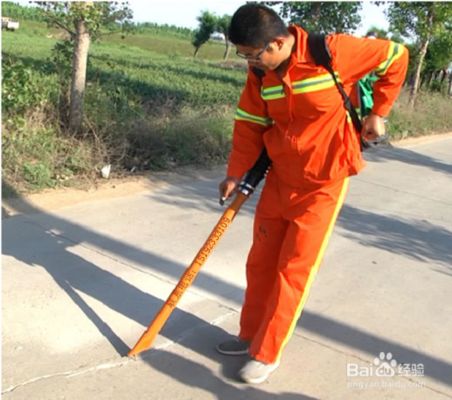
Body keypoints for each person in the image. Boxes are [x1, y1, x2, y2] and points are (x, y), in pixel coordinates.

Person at [216, 3, 408, 384]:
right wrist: (236, 173)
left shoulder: (333, 52)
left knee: (293, 269)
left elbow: (397, 56)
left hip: (324, 182)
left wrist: (378, 112)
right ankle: (250, 334)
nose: (250, 64)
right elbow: (250, 122)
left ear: (277, 43)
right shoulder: (261, 74)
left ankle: (268, 352)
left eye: (252, 55)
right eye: (245, 57)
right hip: (280, 178)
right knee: (261, 263)